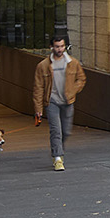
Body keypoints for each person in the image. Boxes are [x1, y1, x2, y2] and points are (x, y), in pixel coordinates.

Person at [32, 33, 87, 171]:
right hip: (52, 101)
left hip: (68, 101)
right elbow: (38, 88)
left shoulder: (72, 63)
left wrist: (73, 90)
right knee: (56, 130)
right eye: (57, 46)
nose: (60, 49)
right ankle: (57, 158)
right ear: (51, 47)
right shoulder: (43, 66)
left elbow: (81, 79)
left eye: (62, 46)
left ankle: (58, 150)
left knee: (66, 131)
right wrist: (38, 109)